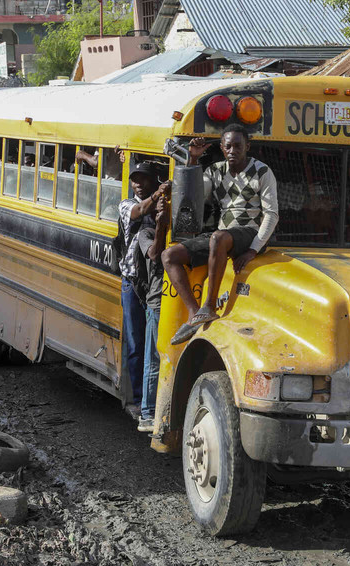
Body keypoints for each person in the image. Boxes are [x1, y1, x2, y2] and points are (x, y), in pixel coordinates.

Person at [162, 123, 279, 345]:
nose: (233, 150)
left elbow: (272, 215)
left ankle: (209, 304)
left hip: (251, 232)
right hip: (225, 235)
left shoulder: (262, 171)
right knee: (169, 256)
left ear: (247, 147)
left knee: (217, 237)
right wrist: (193, 160)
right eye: (228, 146)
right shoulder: (215, 171)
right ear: (223, 149)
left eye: (238, 146)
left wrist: (253, 249)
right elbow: (195, 196)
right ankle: (195, 312)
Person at [118, 162, 170, 420]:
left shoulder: (161, 206)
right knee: (136, 342)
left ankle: (154, 398)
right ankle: (137, 399)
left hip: (154, 284)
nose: (138, 183)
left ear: (152, 180)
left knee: (153, 345)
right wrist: (159, 194)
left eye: (143, 178)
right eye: (135, 178)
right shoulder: (127, 204)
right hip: (132, 280)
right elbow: (139, 210)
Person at [134, 193, 169, 431]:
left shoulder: (181, 234)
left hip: (175, 301)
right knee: (154, 358)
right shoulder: (145, 234)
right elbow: (155, 254)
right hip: (157, 301)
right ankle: (147, 412)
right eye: (159, 210)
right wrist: (161, 226)